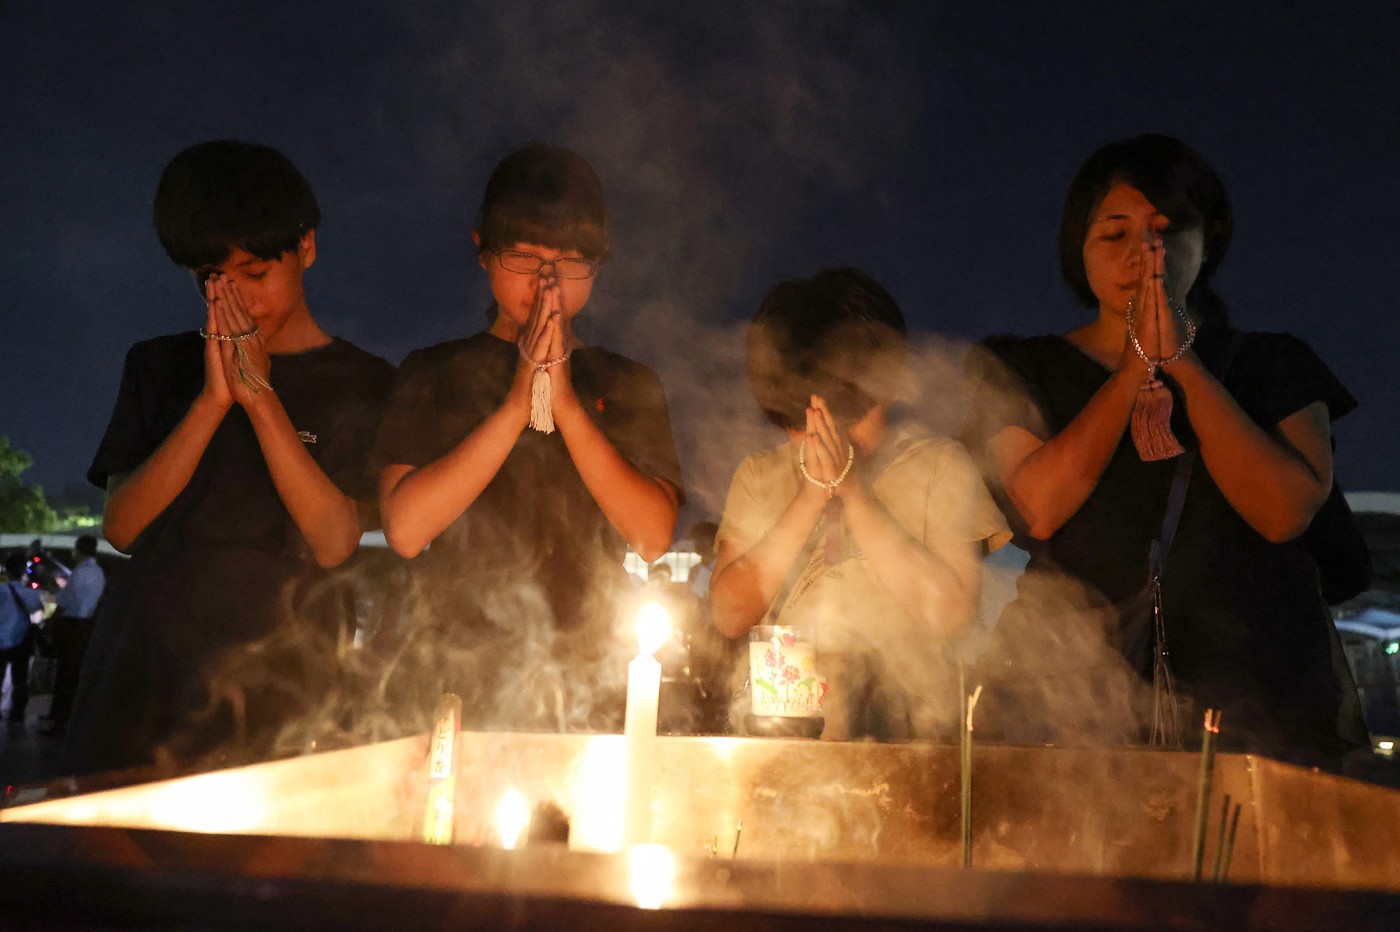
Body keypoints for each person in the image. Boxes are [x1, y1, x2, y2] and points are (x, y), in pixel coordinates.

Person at [969, 134, 1365, 766]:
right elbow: (1038, 507)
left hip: (1258, 696)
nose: (1143, 254)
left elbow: (1284, 511)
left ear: (1207, 245)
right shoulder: (1019, 367)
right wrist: (1133, 371)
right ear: (1080, 248)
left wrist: (1183, 365)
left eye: (1166, 231)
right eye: (1115, 234)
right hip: (1074, 693)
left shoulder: (1276, 362)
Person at [65, 140, 394, 776]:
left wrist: (260, 397)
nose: (237, 300)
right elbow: (122, 526)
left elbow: (333, 540)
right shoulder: (158, 366)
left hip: (286, 682)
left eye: (255, 275)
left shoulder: (364, 382)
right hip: (145, 672)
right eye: (212, 280)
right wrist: (213, 402)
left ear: (306, 247)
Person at [373, 142, 684, 732]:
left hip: (591, 675)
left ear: (597, 266)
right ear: (482, 253)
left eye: (568, 263)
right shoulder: (432, 372)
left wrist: (563, 401)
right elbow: (407, 530)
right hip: (455, 669)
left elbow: (650, 535)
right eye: (523, 257)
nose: (546, 283)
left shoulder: (627, 382)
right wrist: (519, 402)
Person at [710, 268, 1010, 740]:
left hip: (910, 734)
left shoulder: (937, 466)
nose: (825, 436)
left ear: (887, 384)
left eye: (845, 413)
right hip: (787, 740)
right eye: (802, 420)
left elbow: (951, 613)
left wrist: (851, 491)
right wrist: (812, 493)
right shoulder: (761, 475)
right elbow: (729, 613)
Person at [40, 534, 106, 736]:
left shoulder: (80, 572)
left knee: (66, 673)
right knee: (72, 673)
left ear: (79, 550)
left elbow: (65, 601)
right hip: (86, 626)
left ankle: (60, 721)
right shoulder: (98, 572)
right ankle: (60, 716)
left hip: (73, 626)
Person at [1, 554, 45, 735]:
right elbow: (38, 614)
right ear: (23, 574)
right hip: (21, 642)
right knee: (20, 679)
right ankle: (17, 714)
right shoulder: (31, 593)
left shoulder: (1, 591)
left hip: (1, 642)